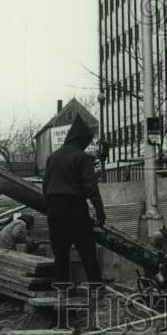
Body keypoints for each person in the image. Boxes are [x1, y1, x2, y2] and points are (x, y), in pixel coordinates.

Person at [42, 114, 106, 285]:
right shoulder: (81, 157)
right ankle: (95, 289)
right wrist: (100, 213)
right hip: (75, 208)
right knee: (87, 251)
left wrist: (50, 209)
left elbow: (45, 187)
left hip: (54, 210)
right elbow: (91, 188)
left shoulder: (52, 157)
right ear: (81, 140)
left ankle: (62, 291)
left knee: (60, 254)